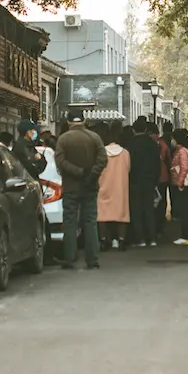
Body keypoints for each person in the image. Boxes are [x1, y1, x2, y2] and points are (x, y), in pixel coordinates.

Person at [54, 110, 108, 269]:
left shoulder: (63, 139)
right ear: (84, 121)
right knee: (90, 221)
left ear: (69, 122)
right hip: (90, 186)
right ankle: (92, 259)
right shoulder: (94, 137)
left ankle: (70, 258)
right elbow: (103, 159)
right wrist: (91, 174)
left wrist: (77, 172)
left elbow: (60, 161)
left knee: (70, 221)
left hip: (71, 186)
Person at [126, 118, 160, 247]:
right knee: (149, 209)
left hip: (134, 180)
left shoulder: (130, 144)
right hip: (149, 180)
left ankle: (139, 239)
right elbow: (157, 163)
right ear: (146, 130)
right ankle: (152, 238)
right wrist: (155, 180)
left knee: (136, 210)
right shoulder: (152, 144)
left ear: (133, 130)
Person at [97, 126, 131, 251]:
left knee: (102, 215)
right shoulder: (125, 153)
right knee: (121, 214)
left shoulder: (101, 152)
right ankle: (121, 240)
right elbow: (128, 169)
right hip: (120, 187)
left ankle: (103, 240)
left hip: (103, 186)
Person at [170, 128, 188, 245]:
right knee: (185, 209)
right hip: (186, 184)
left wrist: (180, 183)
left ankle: (185, 236)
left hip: (185, 184)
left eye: (173, 138)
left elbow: (184, 167)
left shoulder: (182, 151)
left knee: (184, 210)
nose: (172, 140)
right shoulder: (183, 150)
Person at [148, 123, 170, 245]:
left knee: (150, 204)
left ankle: (153, 228)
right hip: (163, 177)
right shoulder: (162, 144)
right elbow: (168, 160)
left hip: (151, 178)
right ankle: (159, 226)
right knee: (161, 202)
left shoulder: (148, 144)